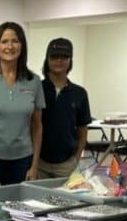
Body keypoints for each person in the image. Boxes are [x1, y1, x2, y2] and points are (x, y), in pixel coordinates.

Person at [0, 21, 45, 186]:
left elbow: (37, 126)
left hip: (21, 160)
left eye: (15, 41)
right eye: (4, 41)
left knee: (17, 209)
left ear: (22, 46)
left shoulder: (33, 81)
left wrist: (34, 165)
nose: (10, 46)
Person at [38, 38, 91, 178]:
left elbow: (83, 130)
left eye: (64, 57)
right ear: (47, 60)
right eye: (54, 56)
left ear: (70, 61)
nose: (59, 61)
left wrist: (76, 158)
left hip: (66, 164)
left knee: (65, 200)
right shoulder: (37, 88)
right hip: (39, 163)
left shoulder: (79, 93)